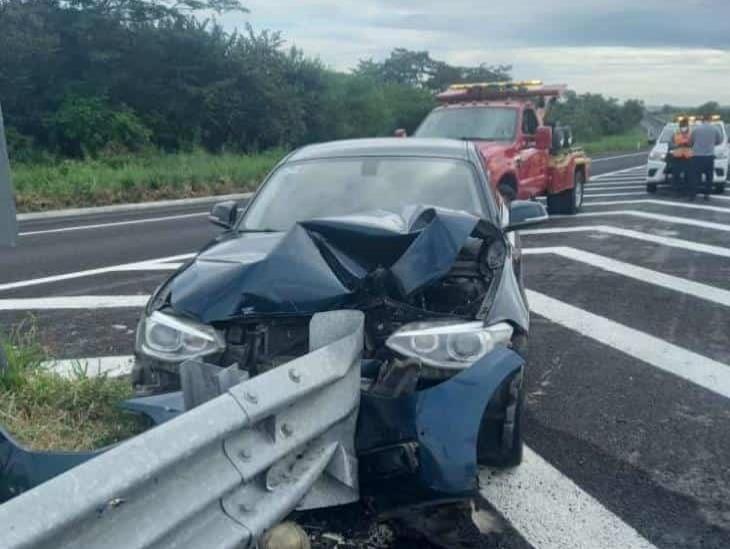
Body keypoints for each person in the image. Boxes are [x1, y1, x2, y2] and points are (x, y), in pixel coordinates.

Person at [690, 116, 722, 200]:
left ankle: (693, 194)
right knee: (709, 176)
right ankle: (707, 195)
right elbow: (719, 141)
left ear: (702, 121)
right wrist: (711, 144)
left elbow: (691, 141)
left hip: (697, 156)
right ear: (710, 120)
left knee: (695, 176)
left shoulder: (696, 129)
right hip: (709, 156)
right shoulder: (715, 129)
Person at [667, 118, 692, 193]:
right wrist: (677, 145)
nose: (683, 127)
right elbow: (670, 144)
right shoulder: (675, 133)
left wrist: (688, 144)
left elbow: (695, 144)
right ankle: (676, 191)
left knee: (688, 176)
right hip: (677, 157)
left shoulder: (691, 134)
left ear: (688, 126)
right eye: (682, 126)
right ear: (679, 126)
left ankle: (687, 190)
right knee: (676, 175)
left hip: (688, 157)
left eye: (685, 125)